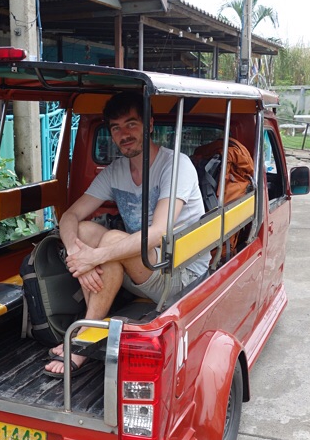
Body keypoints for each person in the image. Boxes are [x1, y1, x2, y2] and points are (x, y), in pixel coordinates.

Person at [44, 91, 208, 377]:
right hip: (140, 268)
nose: (124, 134)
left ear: (150, 125)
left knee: (110, 240)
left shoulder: (176, 165)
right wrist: (77, 256)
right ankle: (92, 322)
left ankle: (84, 335)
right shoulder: (115, 171)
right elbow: (70, 216)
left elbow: (157, 232)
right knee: (81, 231)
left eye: (132, 124)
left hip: (177, 274)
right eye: (116, 127)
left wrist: (94, 257)